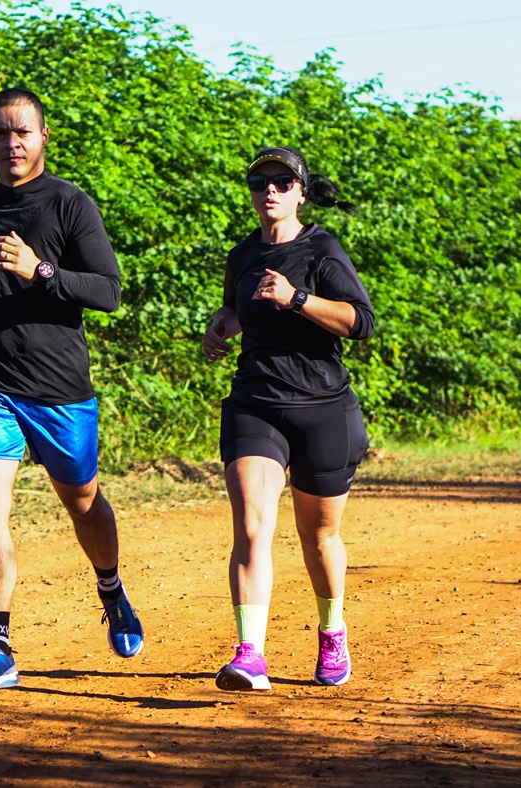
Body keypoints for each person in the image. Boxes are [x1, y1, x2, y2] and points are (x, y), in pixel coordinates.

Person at [0, 87, 143, 694]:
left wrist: (40, 271)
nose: (12, 143)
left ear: (43, 136)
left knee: (82, 502)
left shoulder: (70, 204)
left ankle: (111, 587)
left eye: (22, 131)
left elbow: (108, 291)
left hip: (58, 386)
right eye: (0, 133)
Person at [201, 146, 374, 691]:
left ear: (301, 192)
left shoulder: (322, 250)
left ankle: (332, 631)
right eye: (260, 183)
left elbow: (360, 322)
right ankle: (250, 653)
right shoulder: (243, 254)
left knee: (319, 537)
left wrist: (297, 298)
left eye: (281, 182)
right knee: (252, 526)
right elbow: (238, 308)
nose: (269, 191)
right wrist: (221, 326)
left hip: (323, 409)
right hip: (256, 403)